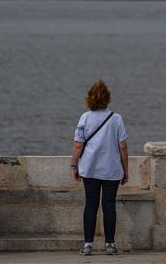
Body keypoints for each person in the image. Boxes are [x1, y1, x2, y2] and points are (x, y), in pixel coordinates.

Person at [72, 80, 129, 256]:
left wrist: (74, 165)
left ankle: (88, 245)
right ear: (107, 98)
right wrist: (126, 170)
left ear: (89, 98)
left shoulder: (85, 117)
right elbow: (123, 147)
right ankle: (110, 244)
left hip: (89, 168)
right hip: (112, 169)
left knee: (90, 205)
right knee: (109, 206)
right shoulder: (116, 118)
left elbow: (78, 146)